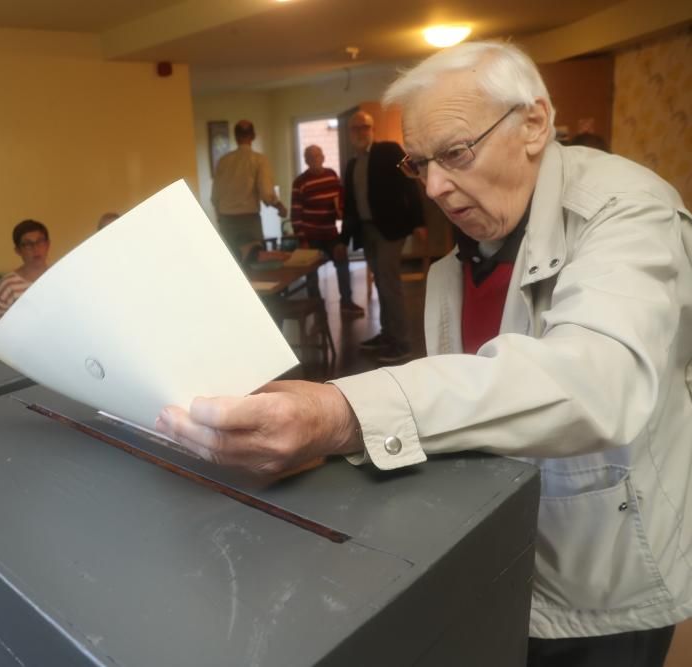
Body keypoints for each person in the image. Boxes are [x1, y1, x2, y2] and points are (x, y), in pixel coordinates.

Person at [156, 41, 692, 667]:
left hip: (603, 572)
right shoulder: (453, 261)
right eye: (420, 163)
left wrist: (341, 413)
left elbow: (598, 382)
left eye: (457, 153)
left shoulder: (629, 208)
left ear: (535, 123)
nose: (435, 186)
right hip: (505, 553)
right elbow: (467, 408)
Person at [342, 110, 425, 361]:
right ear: (349, 133)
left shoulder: (389, 151)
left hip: (390, 230)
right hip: (367, 232)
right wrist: (342, 240)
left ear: (372, 130)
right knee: (380, 283)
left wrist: (419, 221)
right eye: (355, 128)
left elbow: (411, 182)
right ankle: (387, 334)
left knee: (389, 284)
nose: (360, 132)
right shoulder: (352, 164)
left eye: (364, 127)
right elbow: (350, 205)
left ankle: (402, 344)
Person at [290, 145, 362, 316]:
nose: (314, 159)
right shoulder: (300, 182)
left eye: (317, 156)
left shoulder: (331, 175)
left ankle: (346, 302)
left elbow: (341, 201)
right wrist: (302, 241)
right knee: (311, 274)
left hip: (330, 233)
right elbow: (295, 213)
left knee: (343, 263)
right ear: (306, 160)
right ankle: (316, 306)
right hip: (310, 236)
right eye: (310, 157)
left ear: (323, 157)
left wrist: (340, 211)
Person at [211, 120, 287, 255]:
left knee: (232, 264)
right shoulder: (259, 160)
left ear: (235, 136)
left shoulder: (223, 161)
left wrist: (220, 218)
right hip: (249, 220)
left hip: (226, 221)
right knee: (254, 262)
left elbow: (215, 196)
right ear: (253, 136)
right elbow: (266, 192)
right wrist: (280, 206)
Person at [0, 219, 50, 319]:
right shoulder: (8, 285)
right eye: (28, 244)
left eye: (40, 242)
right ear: (18, 251)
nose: (35, 249)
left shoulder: (59, 276)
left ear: (48, 244)